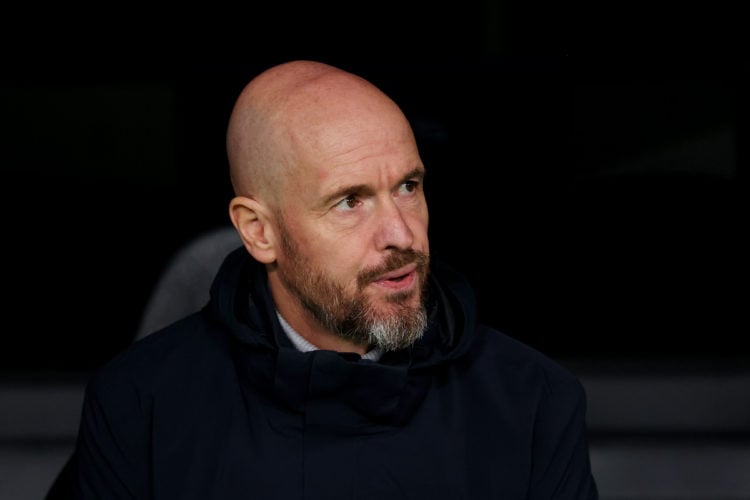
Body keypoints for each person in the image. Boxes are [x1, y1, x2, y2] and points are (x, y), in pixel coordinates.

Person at [62, 60, 599, 498]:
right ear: (258, 231)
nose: (401, 234)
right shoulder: (143, 404)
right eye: (350, 201)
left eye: (409, 186)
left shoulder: (532, 402)